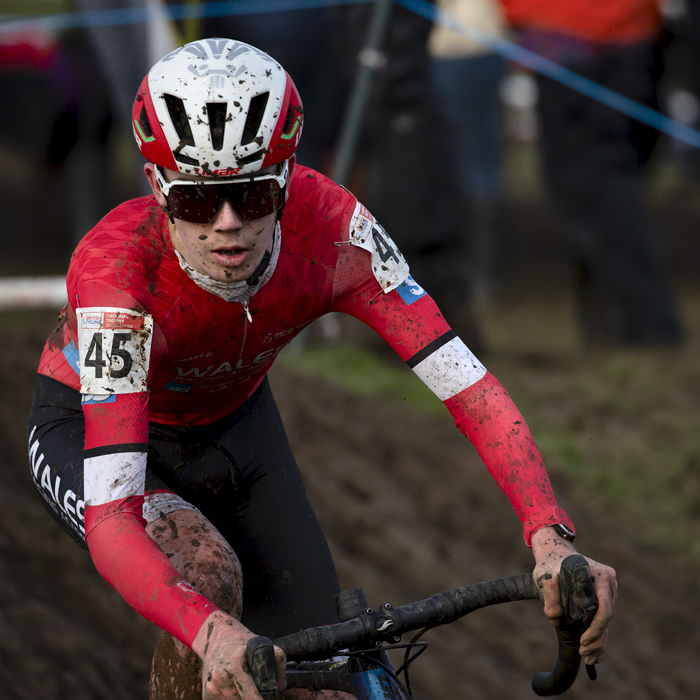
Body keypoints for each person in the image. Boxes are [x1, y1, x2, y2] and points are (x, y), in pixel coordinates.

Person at [28, 38, 616, 700]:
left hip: (236, 423)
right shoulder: (118, 278)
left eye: (253, 196)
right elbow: (113, 518)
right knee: (207, 576)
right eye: (196, 200)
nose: (228, 227)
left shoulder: (336, 230)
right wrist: (210, 632)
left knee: (329, 682)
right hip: (90, 427)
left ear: (286, 179)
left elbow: (470, 388)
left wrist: (551, 533)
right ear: (157, 188)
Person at [498, 0, 686, 346]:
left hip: (581, 35)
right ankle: (612, 322)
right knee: (593, 186)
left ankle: (646, 327)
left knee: (598, 185)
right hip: (608, 34)